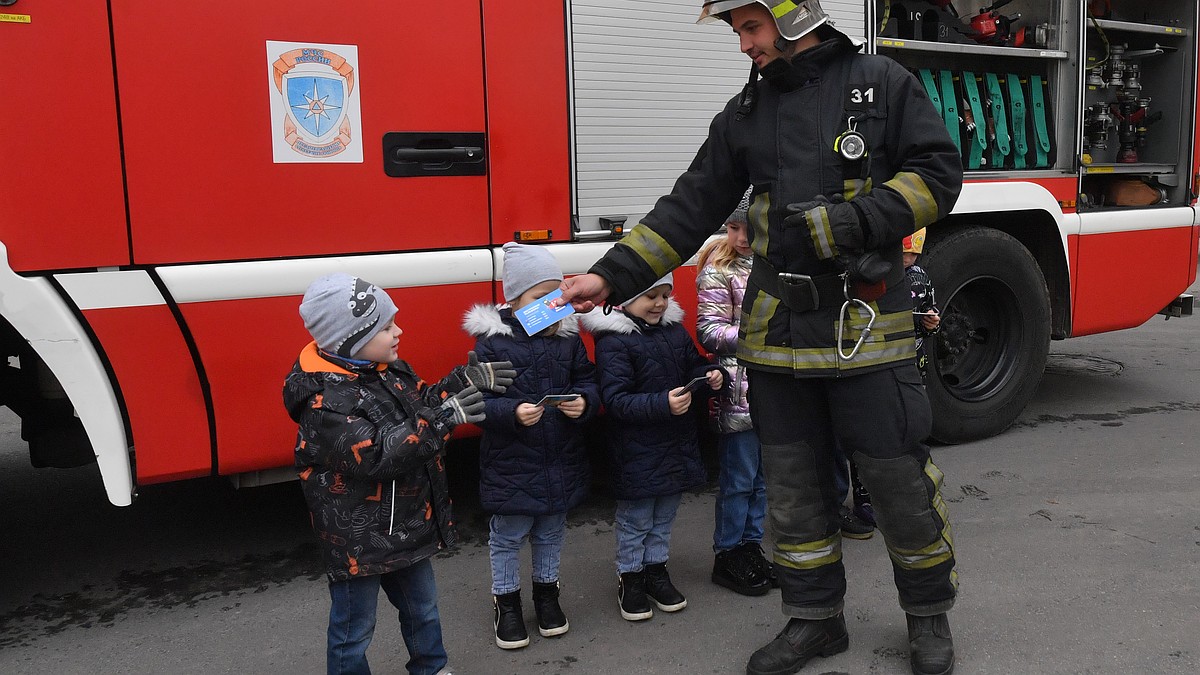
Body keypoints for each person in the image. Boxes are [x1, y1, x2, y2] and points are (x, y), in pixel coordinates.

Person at [557, 2, 963, 674]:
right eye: (737, 32)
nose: (744, 45)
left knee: (898, 483)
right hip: (778, 338)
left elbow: (939, 177)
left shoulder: (882, 83)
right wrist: (609, 276)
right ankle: (814, 620)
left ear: (794, 16)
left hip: (867, 330)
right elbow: (688, 208)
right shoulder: (746, 114)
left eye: (751, 28)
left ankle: (927, 617)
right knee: (795, 489)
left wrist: (850, 223)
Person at [284, 272, 513, 675]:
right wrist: (445, 418)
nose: (398, 331)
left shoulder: (386, 370)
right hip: (359, 543)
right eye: (386, 326)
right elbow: (376, 456)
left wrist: (460, 383)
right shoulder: (326, 403)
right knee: (354, 629)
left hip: (407, 525)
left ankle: (432, 667)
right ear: (350, 339)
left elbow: (420, 404)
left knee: (422, 610)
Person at [462, 242, 600, 650]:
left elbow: (587, 380)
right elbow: (477, 403)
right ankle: (506, 604)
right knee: (508, 535)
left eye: (558, 295)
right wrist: (512, 413)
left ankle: (547, 596)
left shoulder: (568, 340)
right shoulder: (492, 344)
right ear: (514, 299)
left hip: (559, 455)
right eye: (541, 298)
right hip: (512, 461)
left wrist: (585, 402)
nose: (554, 304)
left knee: (551, 531)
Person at [580, 274, 725, 621]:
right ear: (625, 299)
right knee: (636, 518)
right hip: (636, 450)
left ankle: (656, 570)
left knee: (664, 515)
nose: (659, 304)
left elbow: (694, 365)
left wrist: (712, 375)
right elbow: (615, 400)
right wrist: (662, 403)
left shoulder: (674, 331)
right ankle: (630, 577)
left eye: (665, 295)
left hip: (674, 444)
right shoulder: (613, 341)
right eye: (650, 296)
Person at [695, 197, 775, 596]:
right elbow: (709, 331)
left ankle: (750, 547)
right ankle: (727, 554)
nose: (741, 237)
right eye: (732, 227)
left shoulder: (771, 265)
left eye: (749, 228)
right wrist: (760, 340)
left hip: (772, 389)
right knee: (739, 479)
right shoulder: (719, 269)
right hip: (738, 390)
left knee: (762, 480)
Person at [903, 228, 941, 378]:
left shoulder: (920, 277)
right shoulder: (876, 276)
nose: (907, 258)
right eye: (903, 252)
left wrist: (931, 323)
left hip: (915, 360)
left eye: (913, 254)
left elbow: (929, 308)